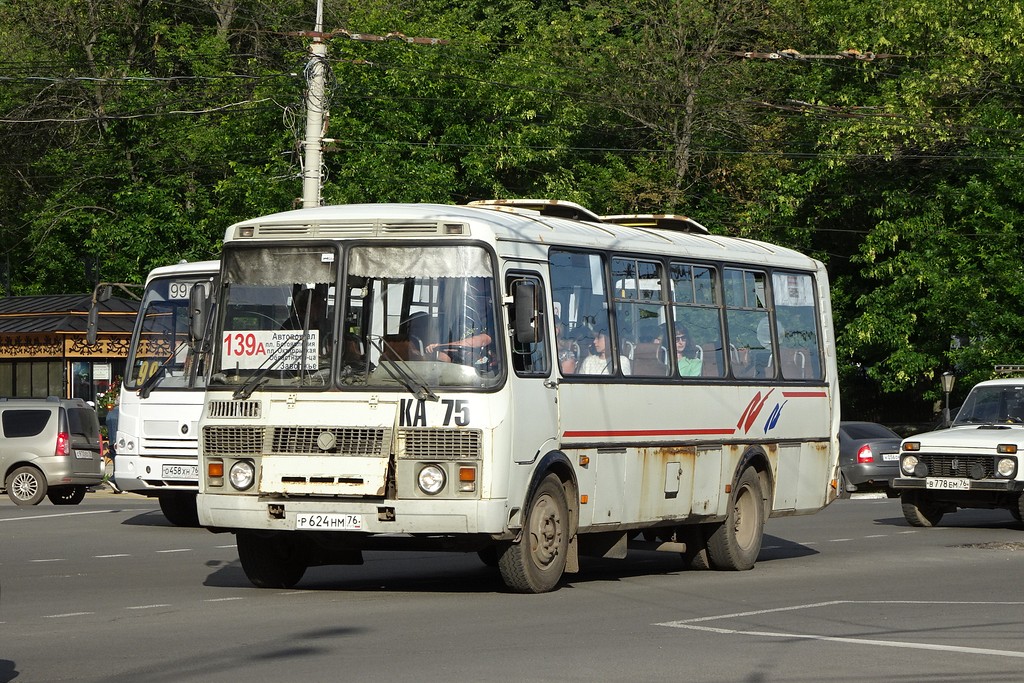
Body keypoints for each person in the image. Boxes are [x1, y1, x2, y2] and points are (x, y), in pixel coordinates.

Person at [104, 398, 121, 493]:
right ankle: (114, 479)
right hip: (117, 442)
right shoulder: (120, 413)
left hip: (111, 441)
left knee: (115, 461)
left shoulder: (110, 414)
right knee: (118, 463)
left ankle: (116, 485)